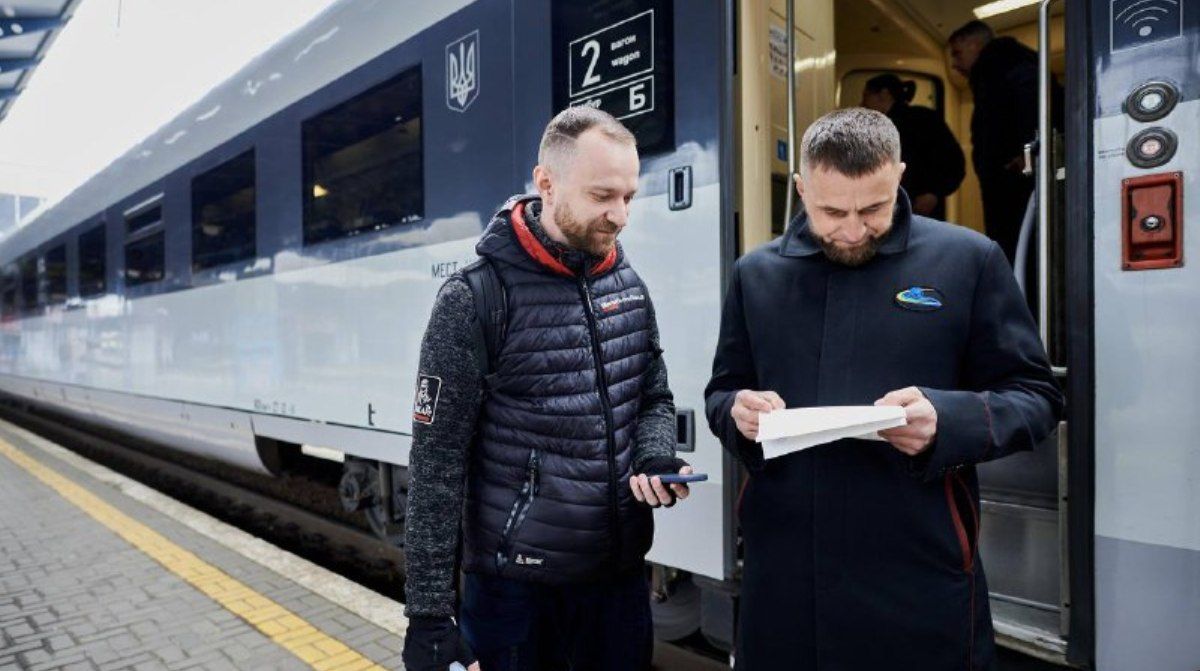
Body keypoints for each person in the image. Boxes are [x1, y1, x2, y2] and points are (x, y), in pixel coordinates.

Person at [704, 108, 1062, 670]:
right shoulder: (756, 275)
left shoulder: (969, 260)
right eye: (829, 211)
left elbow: (1036, 396)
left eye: (872, 208)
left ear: (898, 175)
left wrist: (946, 420)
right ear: (801, 189)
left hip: (918, 568)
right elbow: (722, 392)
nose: (850, 229)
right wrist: (738, 412)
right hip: (785, 573)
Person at [401, 106, 693, 671]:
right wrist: (430, 616)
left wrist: (654, 454)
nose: (621, 215)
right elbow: (435, 463)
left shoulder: (628, 285)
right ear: (546, 183)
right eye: (603, 196)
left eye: (630, 196)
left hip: (619, 585)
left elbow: (652, 396)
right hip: (516, 597)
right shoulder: (474, 299)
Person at [949, 19, 1061, 265]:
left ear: (976, 44)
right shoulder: (1004, 64)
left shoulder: (999, 62)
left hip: (1015, 183)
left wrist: (1029, 150)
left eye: (958, 53)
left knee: (1020, 252)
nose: (955, 65)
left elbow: (1031, 92)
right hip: (1015, 179)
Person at [860, 73, 965, 220]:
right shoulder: (926, 118)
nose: (862, 103)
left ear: (884, 94)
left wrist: (932, 192)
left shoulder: (917, 122)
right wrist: (935, 193)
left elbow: (953, 162)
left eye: (866, 96)